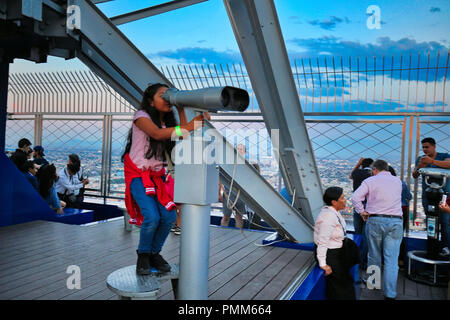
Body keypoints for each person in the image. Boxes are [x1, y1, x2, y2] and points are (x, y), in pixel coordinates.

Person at [122, 83, 209, 275]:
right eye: (163, 95)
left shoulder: (167, 124)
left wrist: (182, 111)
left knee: (169, 216)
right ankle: (143, 255)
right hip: (139, 175)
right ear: (151, 101)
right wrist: (189, 125)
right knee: (151, 217)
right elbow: (155, 134)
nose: (167, 97)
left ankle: (154, 253)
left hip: (157, 177)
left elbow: (182, 135)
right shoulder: (141, 117)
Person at [351, 159, 403, 300]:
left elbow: (355, 197)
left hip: (375, 220)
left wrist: (362, 211)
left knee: (374, 255)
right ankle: (390, 293)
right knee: (391, 260)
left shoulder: (370, 181)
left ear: (374, 169)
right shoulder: (398, 181)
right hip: (395, 221)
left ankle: (373, 283)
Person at [314, 186, 356, 300]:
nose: (345, 200)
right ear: (334, 202)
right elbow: (322, 242)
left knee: (344, 283)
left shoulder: (334, 212)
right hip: (331, 255)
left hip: (337, 253)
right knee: (341, 287)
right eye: (342, 198)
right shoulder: (328, 217)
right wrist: (323, 264)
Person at [412, 137, 450, 257]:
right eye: (423, 147)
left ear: (434, 146)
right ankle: (432, 250)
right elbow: (415, 175)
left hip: (444, 195)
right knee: (431, 222)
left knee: (445, 222)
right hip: (428, 195)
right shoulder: (421, 159)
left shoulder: (444, 155)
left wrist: (432, 161)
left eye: (427, 147)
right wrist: (419, 166)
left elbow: (448, 164)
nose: (425, 149)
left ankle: (446, 247)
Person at [349, 157, 373, 270]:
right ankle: (364, 261)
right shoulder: (372, 175)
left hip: (357, 205)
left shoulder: (357, 173)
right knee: (366, 235)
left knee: (357, 233)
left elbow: (351, 175)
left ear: (362, 165)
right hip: (368, 206)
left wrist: (358, 164)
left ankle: (356, 259)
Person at [388, 166, 413, 266]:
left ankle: (387, 261)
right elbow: (409, 197)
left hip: (389, 211)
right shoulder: (401, 183)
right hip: (402, 210)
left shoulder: (381, 185)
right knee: (399, 236)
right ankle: (400, 260)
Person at [219, 143, 247, 228]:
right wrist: (219, 193)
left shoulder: (246, 166)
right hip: (228, 194)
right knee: (226, 217)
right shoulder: (228, 164)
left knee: (239, 217)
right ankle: (223, 231)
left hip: (241, 195)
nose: (238, 151)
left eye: (240, 149)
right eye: (237, 149)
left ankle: (238, 234)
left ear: (244, 152)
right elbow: (220, 178)